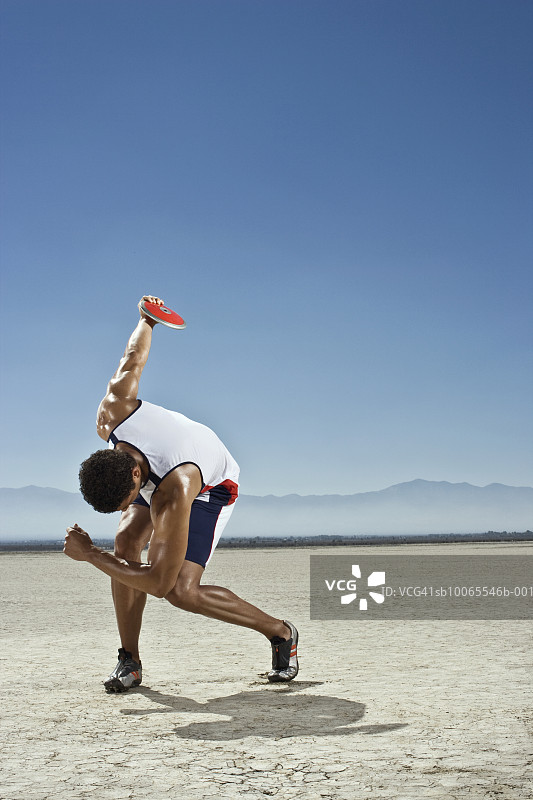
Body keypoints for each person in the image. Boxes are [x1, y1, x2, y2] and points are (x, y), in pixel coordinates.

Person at [64, 295, 298, 693]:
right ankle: (129, 660)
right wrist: (147, 321)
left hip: (211, 484)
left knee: (180, 591)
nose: (127, 508)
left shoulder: (174, 493)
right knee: (125, 540)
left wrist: (90, 555)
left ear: (135, 477)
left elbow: (157, 583)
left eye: (127, 501)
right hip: (160, 465)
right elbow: (132, 359)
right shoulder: (112, 413)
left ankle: (280, 632)